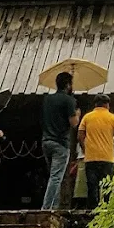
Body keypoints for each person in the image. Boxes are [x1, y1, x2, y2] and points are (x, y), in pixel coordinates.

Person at [77, 95, 114, 209]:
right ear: (107, 105)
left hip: (91, 158)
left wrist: (85, 149)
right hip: (107, 158)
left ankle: (92, 212)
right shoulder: (112, 118)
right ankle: (107, 210)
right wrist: (113, 140)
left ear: (95, 104)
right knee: (108, 186)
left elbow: (80, 136)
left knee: (92, 187)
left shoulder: (87, 117)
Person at [40, 72, 79, 210]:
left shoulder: (47, 99)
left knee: (53, 176)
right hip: (60, 143)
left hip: (46, 141)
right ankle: (46, 208)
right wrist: (77, 114)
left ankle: (54, 207)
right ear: (68, 84)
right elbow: (74, 123)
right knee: (56, 177)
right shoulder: (69, 101)